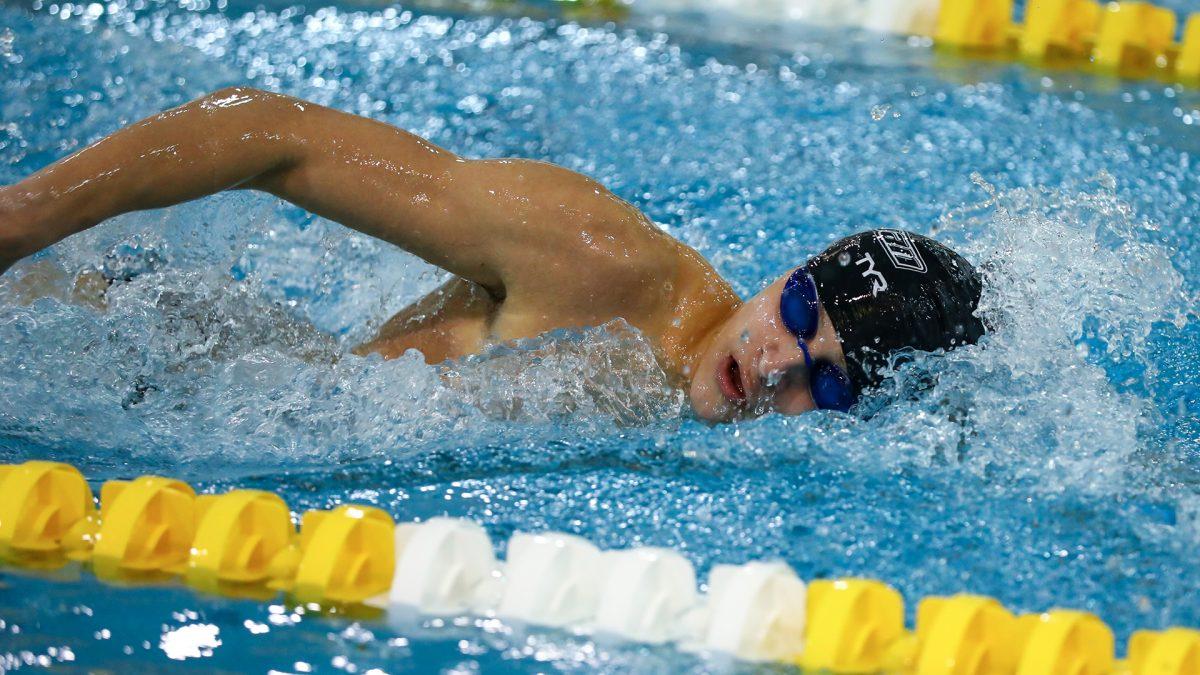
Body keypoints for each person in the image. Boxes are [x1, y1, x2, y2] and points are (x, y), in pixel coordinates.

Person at [0, 87, 986, 422]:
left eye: (831, 385)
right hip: (148, 358)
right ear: (787, 275)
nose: (777, 366)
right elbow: (274, 133)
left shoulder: (695, 422)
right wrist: (20, 219)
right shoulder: (597, 257)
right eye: (803, 318)